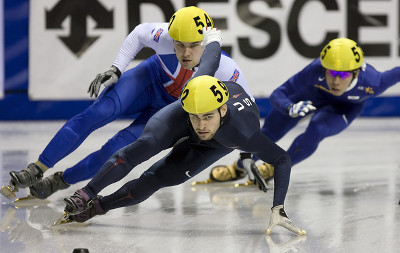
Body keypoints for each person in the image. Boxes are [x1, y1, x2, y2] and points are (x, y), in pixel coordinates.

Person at [55, 37, 306, 236]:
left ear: (223, 109)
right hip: (179, 114)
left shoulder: (242, 131)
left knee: (156, 178)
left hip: (216, 144)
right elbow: (211, 53)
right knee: (144, 145)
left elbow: (282, 159)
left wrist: (278, 208)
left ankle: (100, 207)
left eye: (207, 117)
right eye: (196, 118)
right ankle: (87, 194)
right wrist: (212, 36)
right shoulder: (198, 89)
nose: (200, 126)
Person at [0, 6, 253, 200]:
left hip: (169, 110)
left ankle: (58, 181)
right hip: (148, 80)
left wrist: (246, 153)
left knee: (114, 151)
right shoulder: (164, 35)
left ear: (207, 43)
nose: (186, 53)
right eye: (179, 45)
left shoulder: (225, 67)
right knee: (98, 113)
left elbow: (247, 104)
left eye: (194, 46)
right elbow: (139, 33)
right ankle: (37, 167)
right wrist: (116, 69)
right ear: (171, 38)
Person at [203, 37, 400, 186]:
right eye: (331, 72)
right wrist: (289, 106)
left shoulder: (374, 83)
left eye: (343, 75)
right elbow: (278, 94)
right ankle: (238, 168)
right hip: (309, 97)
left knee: (317, 129)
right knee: (269, 132)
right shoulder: (315, 70)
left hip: (344, 107)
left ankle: (273, 169)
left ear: (356, 73)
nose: (336, 81)